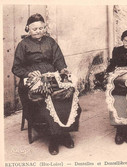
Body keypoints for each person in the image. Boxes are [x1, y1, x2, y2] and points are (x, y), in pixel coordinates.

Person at [12, 13, 81, 155]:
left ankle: (65, 132)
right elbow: (16, 67)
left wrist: (62, 69)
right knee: (45, 100)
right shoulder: (23, 45)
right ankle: (54, 138)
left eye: (41, 28)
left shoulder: (50, 42)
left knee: (68, 95)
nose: (39, 31)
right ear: (28, 29)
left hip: (51, 76)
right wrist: (28, 73)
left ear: (45, 28)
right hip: (32, 80)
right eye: (35, 29)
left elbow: (59, 60)